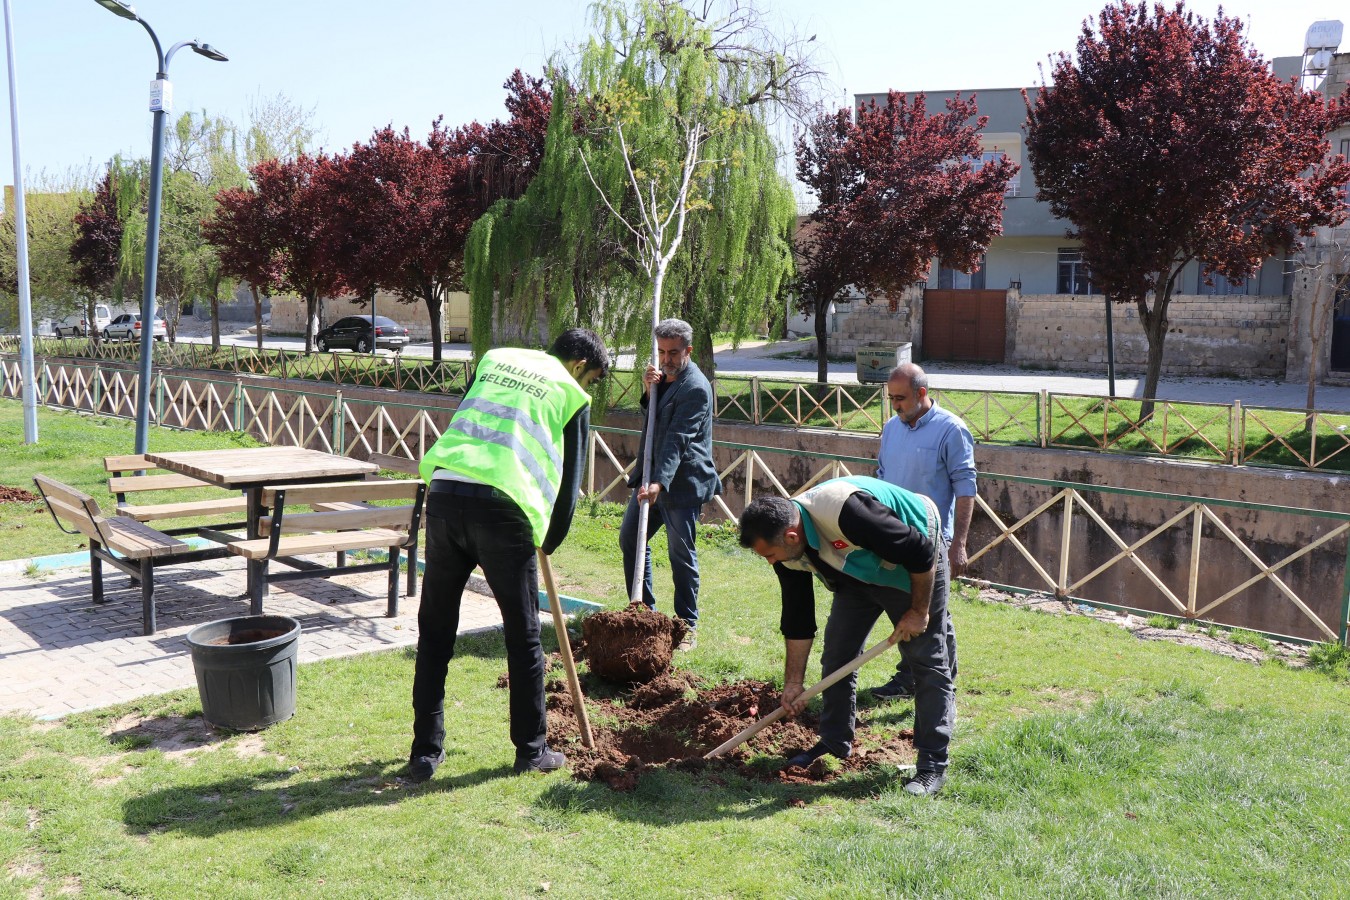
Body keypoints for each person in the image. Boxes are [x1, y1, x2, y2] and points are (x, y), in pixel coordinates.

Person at [407, 328, 609, 782]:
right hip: (503, 509)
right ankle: (532, 751)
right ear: (580, 366)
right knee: (523, 637)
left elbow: (470, 420)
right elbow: (569, 484)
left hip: (445, 493)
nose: (589, 387)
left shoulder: (495, 359)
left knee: (435, 631)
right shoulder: (571, 392)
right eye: (592, 379)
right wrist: (548, 541)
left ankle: (424, 753)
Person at [738, 476, 955, 797]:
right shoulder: (787, 549)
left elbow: (919, 551)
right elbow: (798, 617)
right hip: (856, 571)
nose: (770, 562)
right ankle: (834, 741)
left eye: (769, 554)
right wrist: (794, 683)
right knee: (837, 655)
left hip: (915, 558)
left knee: (925, 661)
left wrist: (920, 611)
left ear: (791, 535)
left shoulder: (847, 511)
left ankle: (932, 765)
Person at [872, 362, 977, 700]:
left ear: (921, 393)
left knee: (926, 610)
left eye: (900, 398)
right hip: (894, 535)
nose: (895, 405)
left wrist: (959, 544)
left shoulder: (951, 429)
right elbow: (882, 476)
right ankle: (928, 678)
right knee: (920, 609)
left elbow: (966, 488)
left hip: (933, 540)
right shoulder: (891, 427)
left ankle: (922, 680)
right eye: (891, 398)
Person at [620, 318, 721, 651]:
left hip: (682, 483)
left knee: (680, 554)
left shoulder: (696, 388)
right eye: (662, 352)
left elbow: (677, 438)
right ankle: (645, 614)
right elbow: (655, 420)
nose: (666, 359)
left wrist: (659, 484)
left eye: (674, 353)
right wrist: (650, 391)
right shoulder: (662, 377)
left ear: (688, 350)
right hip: (651, 478)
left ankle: (687, 626)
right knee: (631, 539)